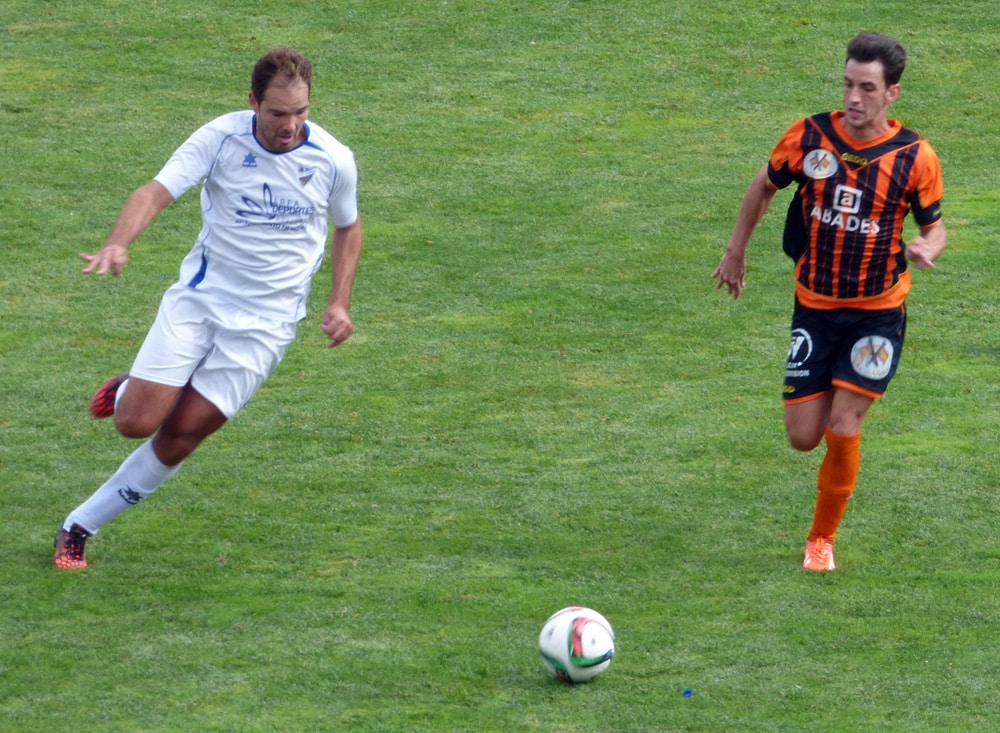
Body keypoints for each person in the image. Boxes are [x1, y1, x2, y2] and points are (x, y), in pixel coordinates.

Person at [53, 48, 363, 569]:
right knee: (134, 422)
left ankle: (78, 527)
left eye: (301, 113)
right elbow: (154, 192)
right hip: (200, 302)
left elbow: (348, 227)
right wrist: (118, 241)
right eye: (277, 113)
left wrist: (339, 301)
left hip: (266, 327)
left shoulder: (333, 159)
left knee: (180, 436)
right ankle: (132, 388)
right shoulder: (220, 139)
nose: (290, 127)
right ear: (252, 102)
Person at [712, 32, 946, 571]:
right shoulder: (811, 136)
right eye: (847, 84)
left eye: (867, 88)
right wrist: (735, 253)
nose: (854, 97)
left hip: (878, 313)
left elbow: (936, 228)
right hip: (814, 306)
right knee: (802, 436)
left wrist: (926, 247)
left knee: (845, 423)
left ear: (893, 94)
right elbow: (763, 186)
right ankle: (828, 468)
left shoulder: (915, 157)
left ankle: (821, 540)